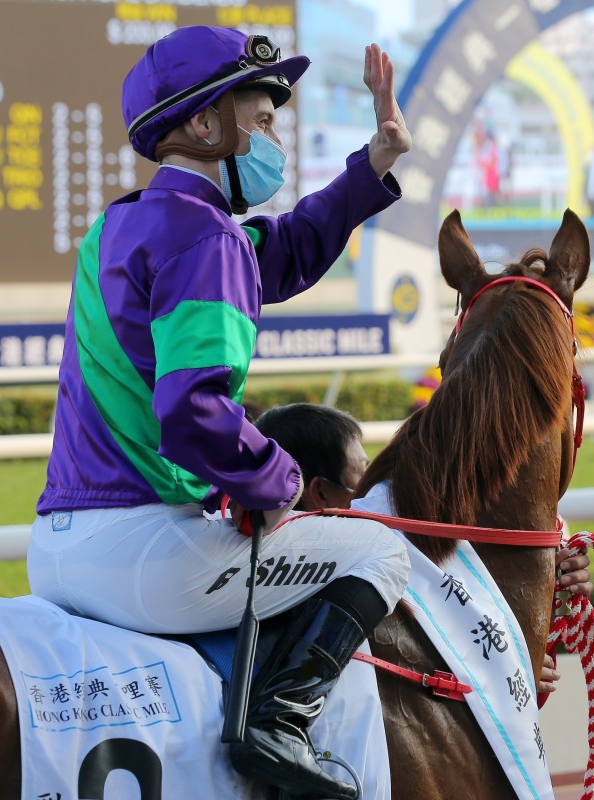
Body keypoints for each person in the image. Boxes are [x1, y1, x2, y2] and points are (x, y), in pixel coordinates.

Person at [26, 26, 413, 800]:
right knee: (378, 554)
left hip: (57, 544)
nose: (271, 136)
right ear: (206, 124)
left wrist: (373, 166)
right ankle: (279, 723)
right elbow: (194, 411)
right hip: (140, 548)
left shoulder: (124, 224)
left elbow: (285, 250)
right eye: (261, 118)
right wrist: (280, 481)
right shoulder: (205, 238)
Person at [253, 402, 594, 693]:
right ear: (321, 494)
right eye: (363, 474)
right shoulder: (348, 582)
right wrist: (504, 677)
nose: (377, 492)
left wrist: (546, 575)